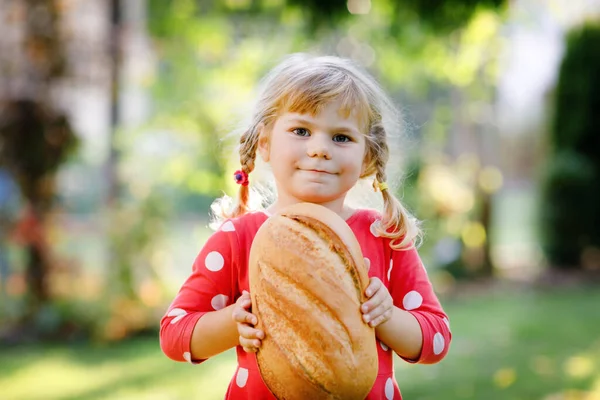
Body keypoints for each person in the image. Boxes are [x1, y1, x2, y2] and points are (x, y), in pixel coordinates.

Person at [160, 53, 452, 400]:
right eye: (301, 131)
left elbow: (436, 339)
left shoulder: (383, 236)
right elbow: (174, 333)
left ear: (367, 158)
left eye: (341, 137)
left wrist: (388, 317)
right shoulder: (240, 238)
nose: (319, 150)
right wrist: (231, 324)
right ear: (264, 142)